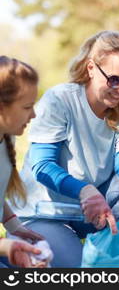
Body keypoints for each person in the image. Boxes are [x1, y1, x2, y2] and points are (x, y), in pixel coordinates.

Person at [11, 30, 119, 267]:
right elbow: (42, 166)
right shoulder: (61, 100)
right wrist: (84, 190)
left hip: (87, 209)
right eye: (115, 79)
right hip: (43, 213)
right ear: (91, 68)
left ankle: (110, 243)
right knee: (76, 269)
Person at [0, 55, 48, 268]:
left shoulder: (6, 136)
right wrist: (7, 247)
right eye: (27, 107)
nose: (34, 114)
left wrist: (14, 225)